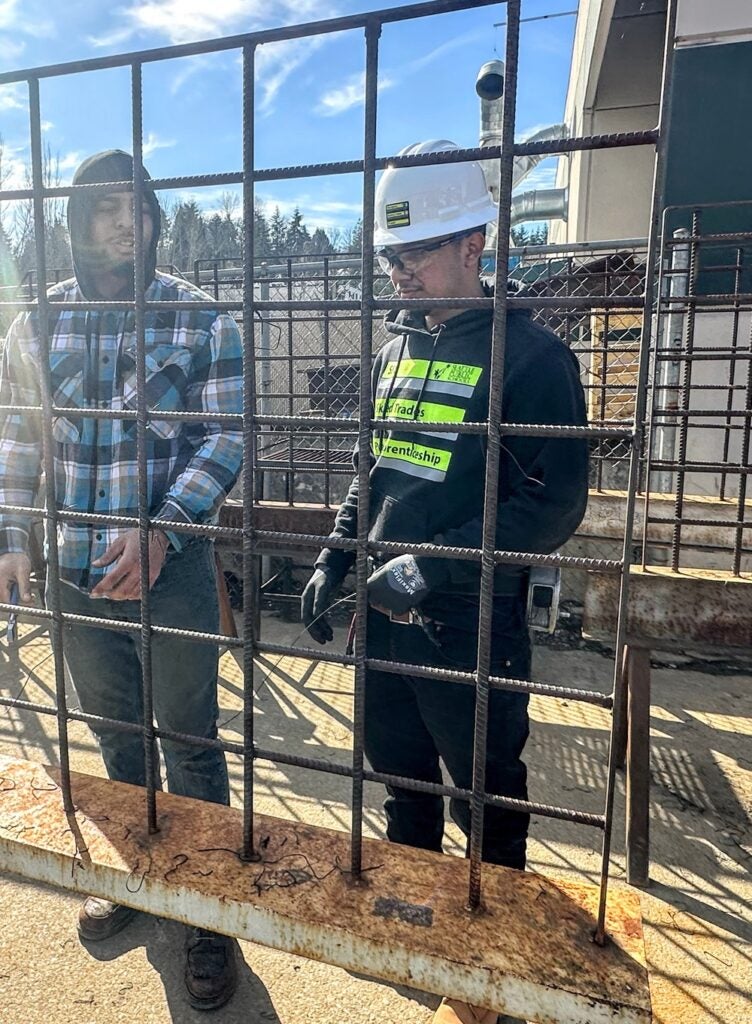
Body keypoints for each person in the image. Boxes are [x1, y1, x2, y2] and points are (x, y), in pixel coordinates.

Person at [301, 140, 589, 1024]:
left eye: (416, 254)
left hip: (467, 623)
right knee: (403, 784)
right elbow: (374, 469)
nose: (401, 276)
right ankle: (423, 929)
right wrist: (336, 554)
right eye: (392, 258)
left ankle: (494, 960)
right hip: (382, 620)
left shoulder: (533, 358)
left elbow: (554, 508)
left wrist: (433, 565)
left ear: (475, 243)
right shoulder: (395, 349)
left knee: (486, 791)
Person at [0, 150, 243, 1011]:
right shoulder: (36, 325)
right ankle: (139, 878)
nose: (123, 221)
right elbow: (20, 439)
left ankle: (209, 913)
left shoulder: (202, 319)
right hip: (72, 572)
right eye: (103, 208)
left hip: (169, 573)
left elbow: (226, 437)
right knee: (113, 736)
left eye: (136, 205)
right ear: (75, 222)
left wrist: (164, 526)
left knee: (189, 737)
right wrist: (11, 533)